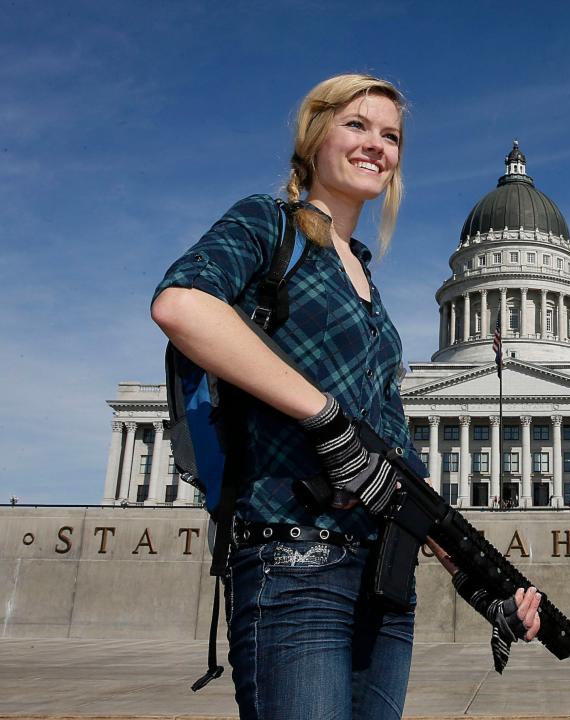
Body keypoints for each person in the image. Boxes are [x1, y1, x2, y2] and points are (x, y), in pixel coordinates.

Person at [151, 74, 540, 720]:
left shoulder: (366, 283)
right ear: (313, 136)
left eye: (390, 135)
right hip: (294, 560)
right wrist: (323, 414)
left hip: (382, 586)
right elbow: (181, 304)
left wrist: (482, 583)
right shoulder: (267, 224)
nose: (376, 145)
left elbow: (397, 471)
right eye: (356, 125)